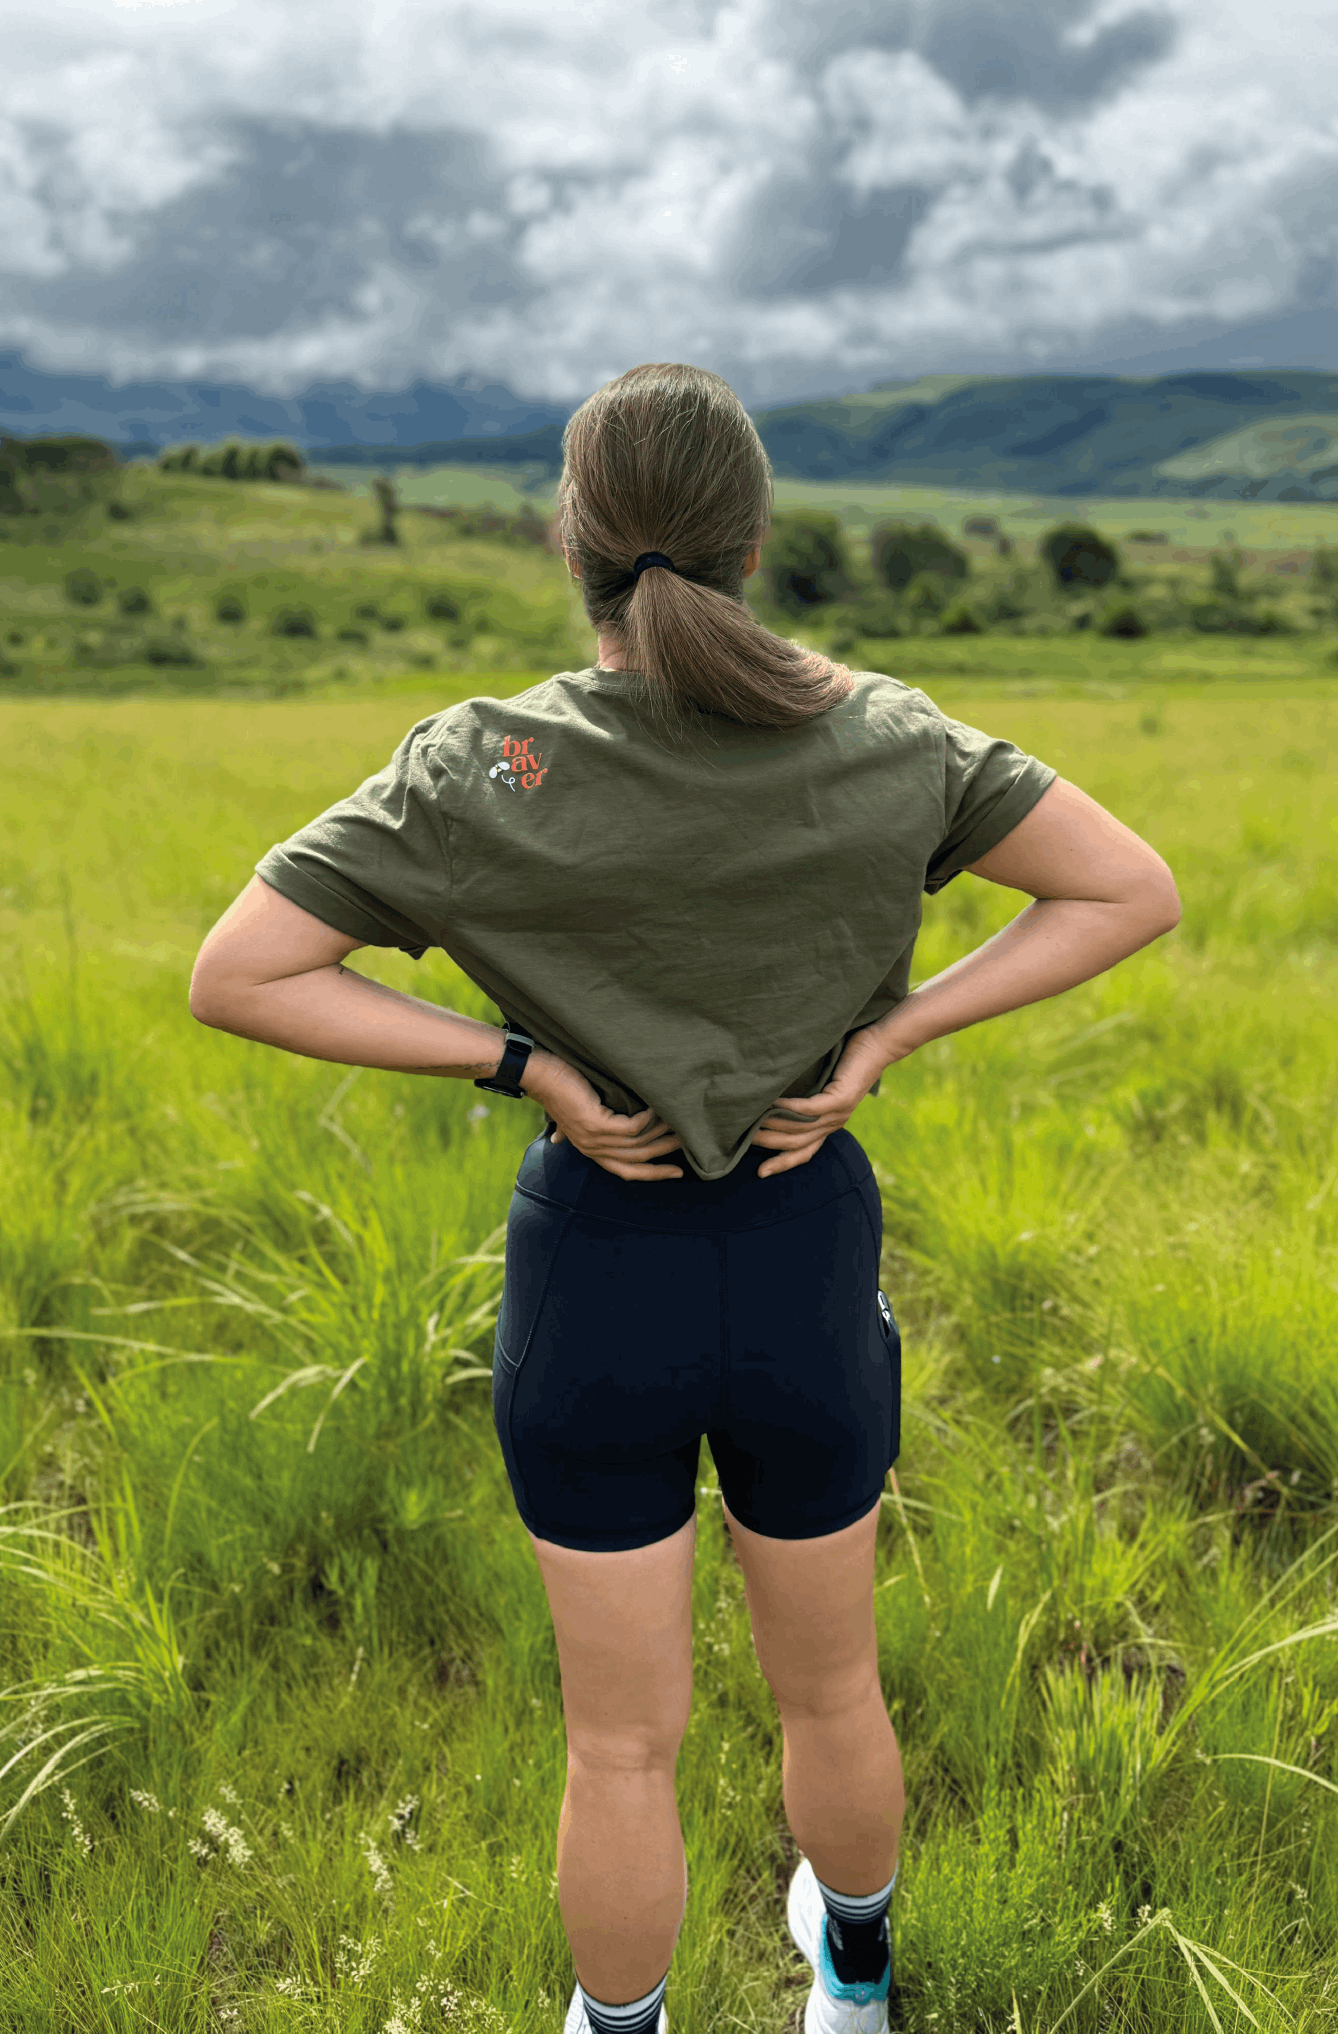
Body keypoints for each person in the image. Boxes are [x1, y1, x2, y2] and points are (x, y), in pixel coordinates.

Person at [189, 362, 1180, 2034]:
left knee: (620, 1742)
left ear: (570, 535)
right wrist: (889, 1036)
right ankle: (849, 1982)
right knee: (835, 1686)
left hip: (598, 1263)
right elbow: (1126, 888)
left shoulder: (479, 762)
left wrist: (529, 1070)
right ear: (753, 538)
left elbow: (241, 973)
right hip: (803, 1248)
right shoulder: (886, 733)